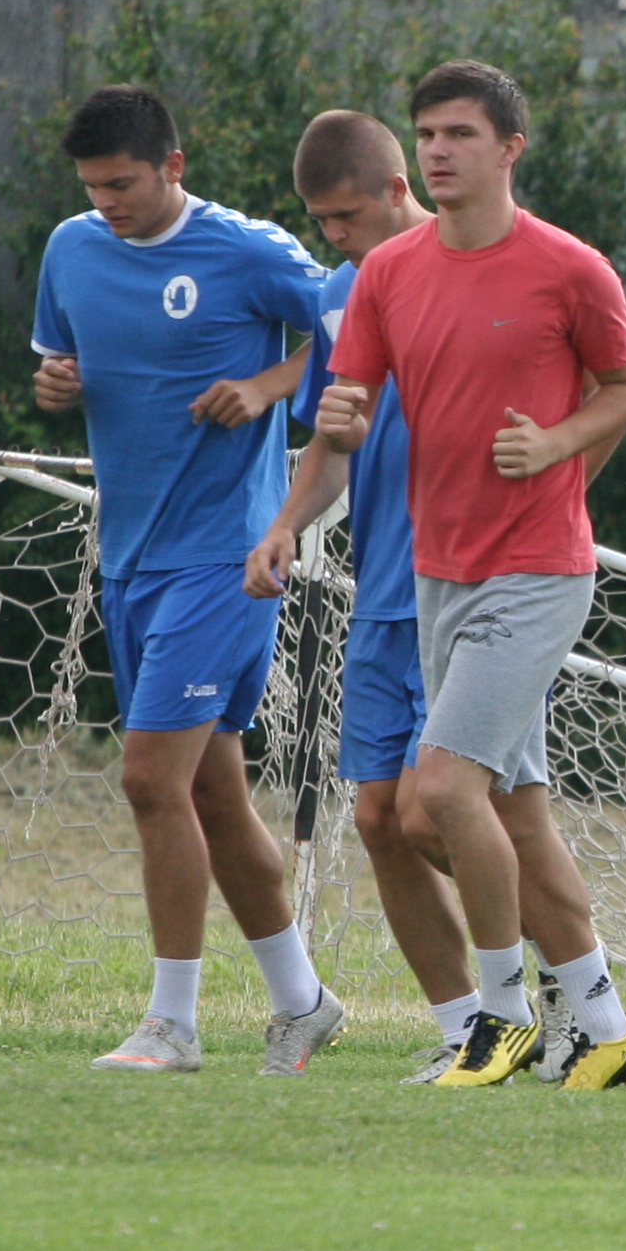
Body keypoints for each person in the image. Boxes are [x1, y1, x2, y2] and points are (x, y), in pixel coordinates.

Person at [311, 59, 626, 1090]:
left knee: (441, 793)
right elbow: (349, 401)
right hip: (435, 572)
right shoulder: (389, 273)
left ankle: (499, 1020)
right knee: (502, 813)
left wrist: (556, 445)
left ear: (510, 148)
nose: (440, 151)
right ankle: (603, 1025)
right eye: (428, 135)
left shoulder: (570, 269)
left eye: (461, 134)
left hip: (540, 570)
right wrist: (338, 417)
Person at [29, 85, 345, 1076]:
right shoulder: (70, 249)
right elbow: (61, 362)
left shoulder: (247, 252)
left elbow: (354, 321)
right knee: (212, 790)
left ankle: (173, 1021)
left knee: (146, 777)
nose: (107, 203)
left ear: (173, 165)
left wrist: (269, 386)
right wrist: (56, 386)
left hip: (227, 558)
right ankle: (303, 1002)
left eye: (123, 184)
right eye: (92, 187)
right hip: (129, 557)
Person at [244, 109, 483, 1084]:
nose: (332, 237)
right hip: (381, 587)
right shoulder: (341, 296)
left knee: (439, 811)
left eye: (345, 215)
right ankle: (466, 1024)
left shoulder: (476, 268)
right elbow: (335, 441)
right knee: (379, 818)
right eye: (319, 221)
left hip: (470, 585)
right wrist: (286, 524)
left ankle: (561, 981)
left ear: (398, 189)